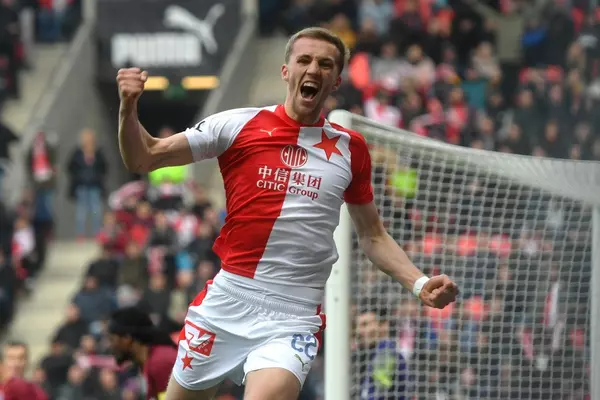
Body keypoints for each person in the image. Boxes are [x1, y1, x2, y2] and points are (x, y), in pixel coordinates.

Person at [117, 26, 459, 400]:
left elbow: (373, 235)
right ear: (286, 71)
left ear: (336, 80)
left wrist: (418, 282)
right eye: (304, 60)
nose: (313, 69)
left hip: (292, 315)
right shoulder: (236, 125)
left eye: (325, 64)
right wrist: (128, 107)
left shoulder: (351, 149)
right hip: (228, 301)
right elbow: (144, 157)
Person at [107, 306, 178, 400]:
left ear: (127, 338)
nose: (110, 345)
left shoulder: (159, 362)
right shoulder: (146, 363)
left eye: (112, 339)